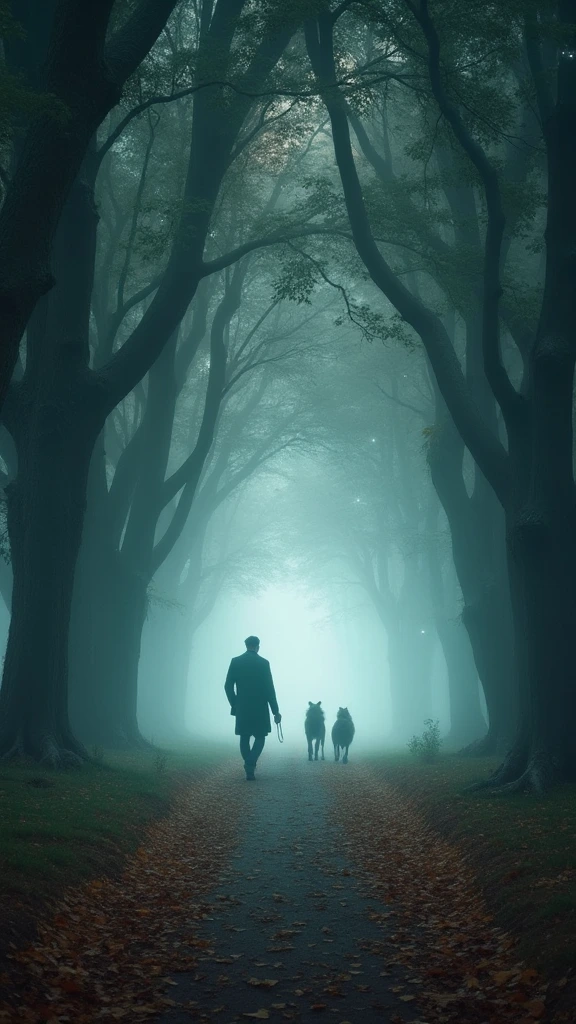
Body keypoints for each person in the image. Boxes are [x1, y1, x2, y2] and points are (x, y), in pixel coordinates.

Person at [224, 635, 281, 780]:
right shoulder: (264, 663)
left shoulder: (236, 662)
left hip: (242, 708)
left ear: (246, 645)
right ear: (258, 647)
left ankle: (249, 766)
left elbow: (228, 686)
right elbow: (270, 689)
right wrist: (275, 711)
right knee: (260, 737)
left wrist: (235, 703)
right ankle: (250, 763)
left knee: (244, 736)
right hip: (260, 708)